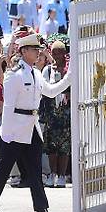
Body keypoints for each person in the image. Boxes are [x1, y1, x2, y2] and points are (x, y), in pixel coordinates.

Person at [0, 32, 71, 212]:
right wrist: (6, 133)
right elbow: (8, 106)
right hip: (15, 130)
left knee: (35, 171)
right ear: (23, 51)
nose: (38, 53)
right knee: (3, 171)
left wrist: (70, 77)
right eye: (34, 50)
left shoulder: (35, 73)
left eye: (38, 50)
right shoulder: (14, 74)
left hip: (31, 128)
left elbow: (50, 91)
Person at [43, 41, 71, 188]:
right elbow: (44, 87)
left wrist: (68, 94)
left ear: (64, 54)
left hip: (65, 113)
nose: (56, 56)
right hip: (51, 113)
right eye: (54, 53)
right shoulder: (47, 70)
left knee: (64, 147)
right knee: (51, 146)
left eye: (59, 52)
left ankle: (62, 175)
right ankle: (52, 174)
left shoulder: (69, 70)